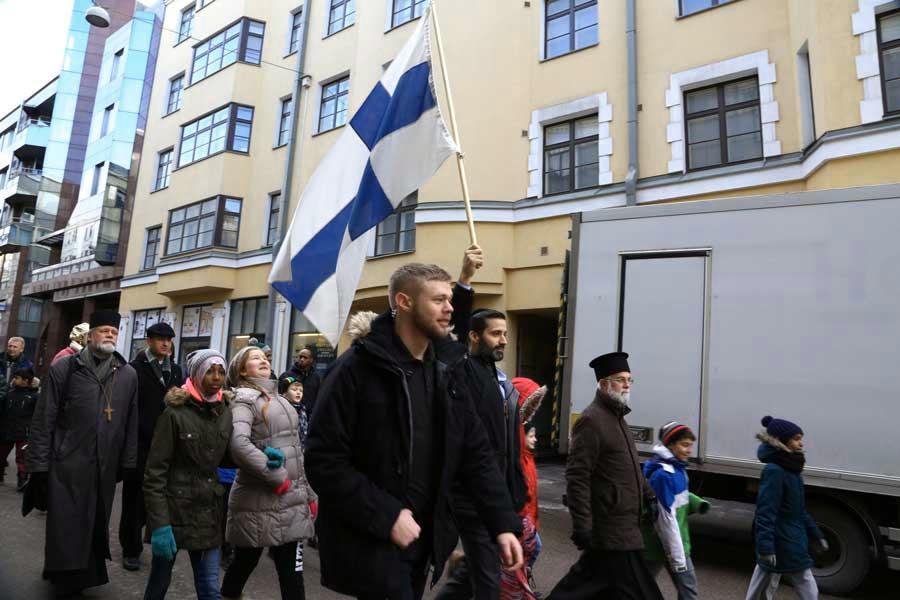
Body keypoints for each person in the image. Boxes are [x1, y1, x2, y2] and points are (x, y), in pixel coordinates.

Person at [305, 262, 524, 600]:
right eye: (438, 300)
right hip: (373, 541)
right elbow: (323, 461)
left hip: (425, 539)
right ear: (404, 302)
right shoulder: (354, 371)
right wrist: (386, 515)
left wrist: (502, 524)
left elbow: (475, 453)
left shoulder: (446, 373)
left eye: (450, 299)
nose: (449, 308)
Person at [25, 310, 139, 598]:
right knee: (66, 522)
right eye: (103, 331)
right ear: (90, 337)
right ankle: (63, 578)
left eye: (114, 332)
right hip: (67, 462)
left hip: (105, 465)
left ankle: (86, 576)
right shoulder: (66, 369)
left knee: (94, 523)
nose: (110, 335)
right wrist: (38, 463)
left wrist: (128, 462)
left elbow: (131, 422)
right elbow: (44, 418)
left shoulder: (127, 374)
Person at [547, 352, 663, 600]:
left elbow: (630, 467)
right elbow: (577, 477)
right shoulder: (591, 420)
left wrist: (649, 496)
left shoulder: (618, 417)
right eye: (620, 379)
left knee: (587, 588)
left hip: (623, 527)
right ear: (603, 384)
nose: (627, 385)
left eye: (630, 379)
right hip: (611, 528)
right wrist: (582, 526)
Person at [221, 346, 315, 600]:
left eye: (264, 357)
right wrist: (274, 475)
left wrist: (308, 493)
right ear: (242, 370)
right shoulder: (242, 399)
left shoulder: (281, 400)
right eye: (255, 358)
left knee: (293, 575)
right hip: (257, 500)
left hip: (291, 501)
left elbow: (296, 450)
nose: (263, 360)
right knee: (242, 566)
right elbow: (239, 445)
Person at [142, 349, 233, 600]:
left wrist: (261, 454)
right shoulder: (174, 413)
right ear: (196, 375)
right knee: (159, 582)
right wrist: (160, 525)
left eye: (221, 372)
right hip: (174, 512)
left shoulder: (225, 410)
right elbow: (155, 473)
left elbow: (227, 456)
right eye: (210, 372)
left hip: (208, 513)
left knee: (210, 589)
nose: (216, 377)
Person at [121, 321, 185, 571]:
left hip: (166, 445)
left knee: (156, 499)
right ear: (149, 341)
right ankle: (131, 549)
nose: (166, 343)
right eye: (160, 339)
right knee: (134, 499)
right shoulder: (134, 369)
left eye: (169, 339)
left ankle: (147, 536)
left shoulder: (176, 371)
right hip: (140, 443)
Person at [745, 416, 827, 600]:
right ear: (782, 441)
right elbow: (766, 512)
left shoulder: (792, 470)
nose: (801, 443)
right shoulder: (775, 471)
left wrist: (817, 534)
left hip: (789, 537)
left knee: (763, 584)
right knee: (804, 582)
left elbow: (799, 511)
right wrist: (766, 548)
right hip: (782, 539)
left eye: (801, 438)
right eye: (796, 439)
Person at [641, 422, 711, 600]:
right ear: (670, 445)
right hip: (663, 544)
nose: (689, 450)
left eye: (690, 445)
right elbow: (665, 519)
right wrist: (678, 557)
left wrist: (696, 503)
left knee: (642, 588)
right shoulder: (662, 475)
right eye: (684, 445)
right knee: (688, 592)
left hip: (669, 543)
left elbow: (677, 497)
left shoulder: (677, 469)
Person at [499, 377, 548, 600]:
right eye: (532, 435)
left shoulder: (525, 452)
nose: (535, 439)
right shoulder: (508, 441)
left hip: (524, 522)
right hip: (513, 520)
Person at [0, 367, 38, 490]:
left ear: (25, 381)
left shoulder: (34, 397)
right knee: (1, 454)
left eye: (17, 378)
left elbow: (37, 415)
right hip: (7, 431)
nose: (14, 380)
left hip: (24, 432)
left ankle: (22, 481)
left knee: (22, 458)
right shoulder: (9, 395)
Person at [280, 347, 321, 416]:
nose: (302, 359)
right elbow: (280, 395)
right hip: (289, 414)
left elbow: (318, 397)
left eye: (305, 357)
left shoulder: (316, 378)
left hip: (309, 416)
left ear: (311, 360)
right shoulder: (286, 375)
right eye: (300, 357)